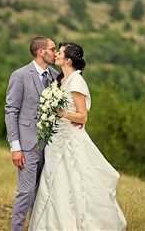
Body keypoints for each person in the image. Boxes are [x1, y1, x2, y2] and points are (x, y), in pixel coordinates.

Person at [28, 42, 127, 231]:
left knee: (72, 180)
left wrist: (60, 113)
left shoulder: (76, 82)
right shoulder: (61, 79)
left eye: (60, 52)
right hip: (56, 139)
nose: (55, 54)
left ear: (68, 60)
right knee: (54, 182)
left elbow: (83, 117)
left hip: (69, 140)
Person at [4, 36, 59, 231]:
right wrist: (15, 147)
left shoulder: (54, 75)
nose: (56, 52)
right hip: (27, 145)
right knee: (26, 192)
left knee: (42, 193)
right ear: (40, 51)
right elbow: (11, 111)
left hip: (50, 145)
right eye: (52, 49)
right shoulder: (20, 75)